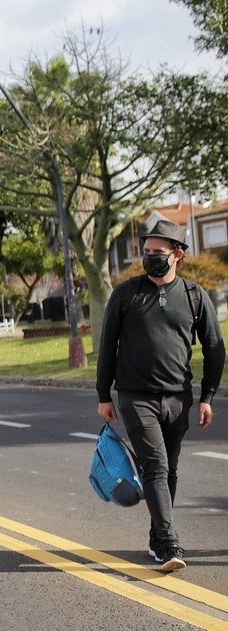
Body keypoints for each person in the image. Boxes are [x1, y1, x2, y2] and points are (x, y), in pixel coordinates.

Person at [97, 219, 224, 571]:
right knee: (156, 465)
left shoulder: (195, 296)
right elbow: (108, 346)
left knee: (170, 471)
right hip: (136, 397)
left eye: (158, 252)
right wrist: (103, 394)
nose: (149, 257)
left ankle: (156, 537)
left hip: (177, 398)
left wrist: (207, 397)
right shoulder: (126, 294)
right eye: (146, 251)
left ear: (178, 254)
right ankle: (169, 544)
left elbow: (214, 348)